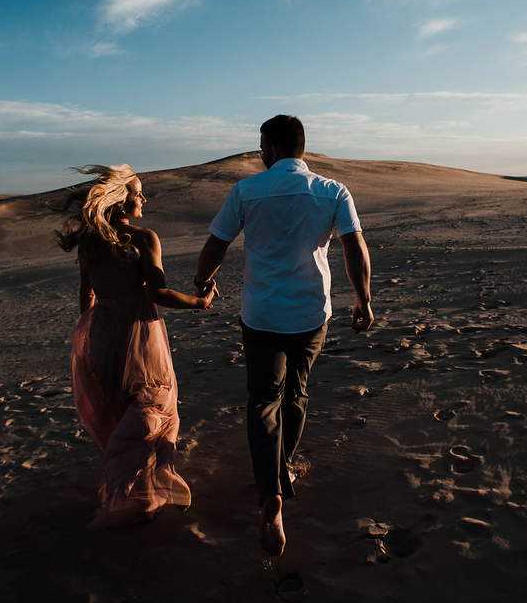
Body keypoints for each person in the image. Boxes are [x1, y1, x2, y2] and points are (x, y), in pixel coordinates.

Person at [193, 115, 373, 556]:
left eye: (261, 146)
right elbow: (353, 245)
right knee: (297, 392)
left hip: (261, 315)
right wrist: (364, 298)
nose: (259, 153)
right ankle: (285, 467)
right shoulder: (332, 191)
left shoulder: (247, 191)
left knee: (262, 399)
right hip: (312, 313)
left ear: (271, 149)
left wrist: (202, 281)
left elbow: (217, 243)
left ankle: (270, 496)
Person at [56, 164, 218, 529]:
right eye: (138, 193)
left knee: (120, 408)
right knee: (156, 401)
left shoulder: (89, 241)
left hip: (103, 331)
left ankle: (145, 486)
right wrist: (201, 302)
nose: (143, 199)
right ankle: (152, 477)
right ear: (119, 201)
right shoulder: (144, 238)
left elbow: (87, 295)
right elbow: (159, 292)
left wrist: (94, 333)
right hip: (141, 332)